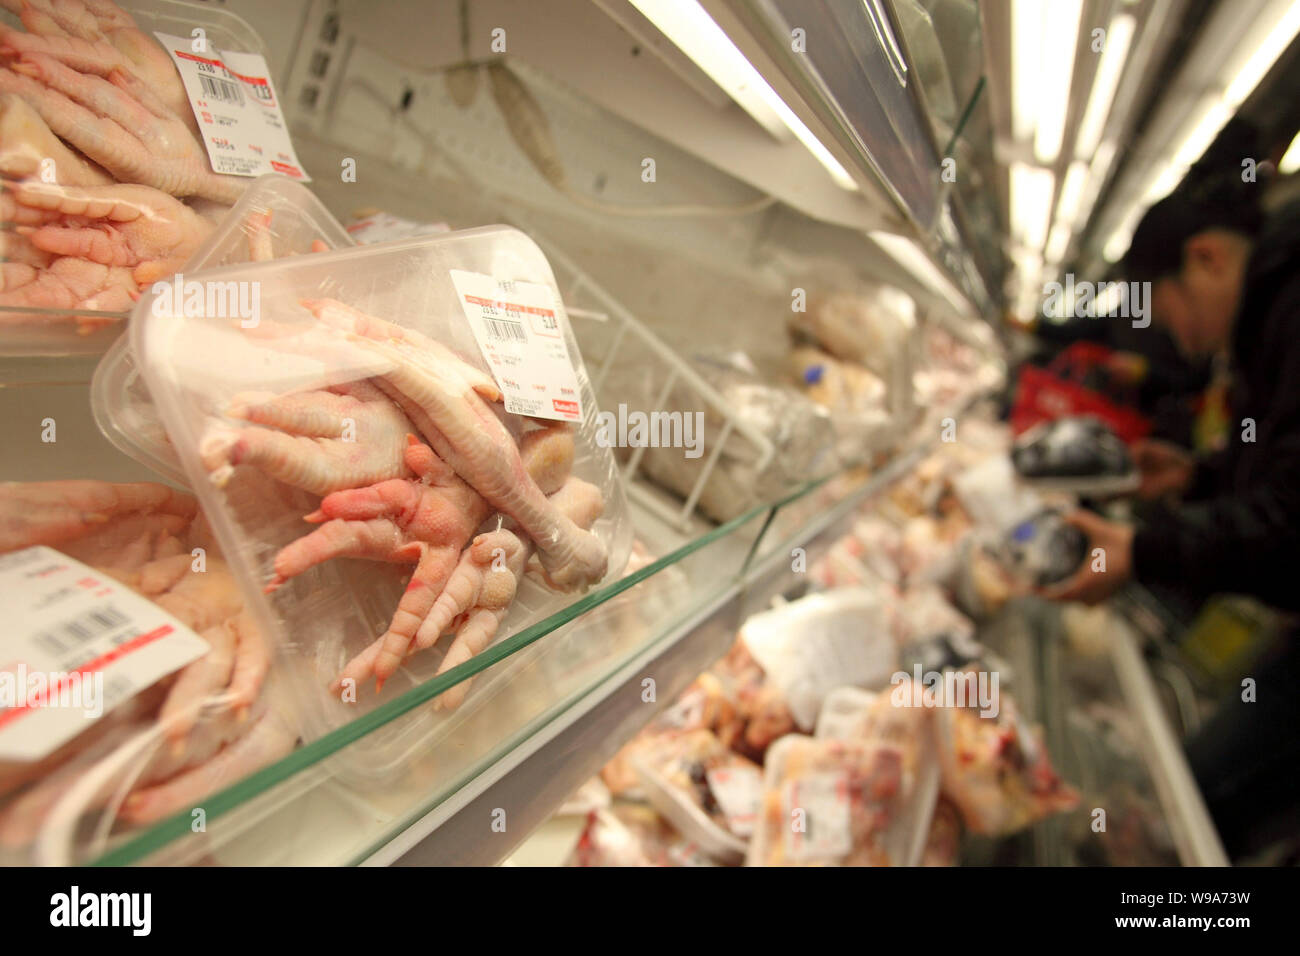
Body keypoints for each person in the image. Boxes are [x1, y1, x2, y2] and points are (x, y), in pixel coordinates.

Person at [1043, 184, 1300, 612]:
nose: (1180, 342)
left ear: (1206, 259)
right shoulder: (1265, 331)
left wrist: (1143, 551)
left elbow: (1291, 525)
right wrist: (1198, 478)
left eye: (1167, 316)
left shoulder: (1289, 311)